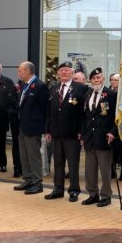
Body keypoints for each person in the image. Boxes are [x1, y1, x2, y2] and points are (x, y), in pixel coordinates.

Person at [45, 61, 87, 202]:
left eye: (67, 70)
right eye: (61, 70)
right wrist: (48, 130)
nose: (64, 72)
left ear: (72, 73)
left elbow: (84, 113)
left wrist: (82, 130)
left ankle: (74, 190)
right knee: (57, 162)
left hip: (73, 133)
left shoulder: (81, 88)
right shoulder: (53, 88)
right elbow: (49, 112)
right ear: (58, 73)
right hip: (56, 133)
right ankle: (58, 189)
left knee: (73, 164)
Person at [81, 68, 117, 207]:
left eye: (99, 78)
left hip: (104, 136)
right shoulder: (88, 93)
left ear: (103, 79)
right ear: (90, 80)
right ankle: (92, 194)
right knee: (90, 169)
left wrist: (113, 132)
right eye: (94, 78)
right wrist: (83, 134)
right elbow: (84, 116)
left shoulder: (111, 94)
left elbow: (116, 117)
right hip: (90, 137)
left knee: (105, 169)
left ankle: (106, 195)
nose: (96, 80)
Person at [13, 61, 49, 195]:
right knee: (24, 154)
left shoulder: (40, 86)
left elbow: (45, 109)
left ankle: (37, 182)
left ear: (28, 71)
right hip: (22, 126)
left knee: (33, 155)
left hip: (34, 127)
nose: (19, 73)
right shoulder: (24, 85)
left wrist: (45, 128)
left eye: (20, 70)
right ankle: (28, 179)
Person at [109, 73, 122, 181]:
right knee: (112, 151)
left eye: (115, 80)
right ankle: (112, 172)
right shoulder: (108, 92)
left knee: (121, 151)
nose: (113, 82)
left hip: (121, 126)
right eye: (112, 80)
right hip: (110, 125)